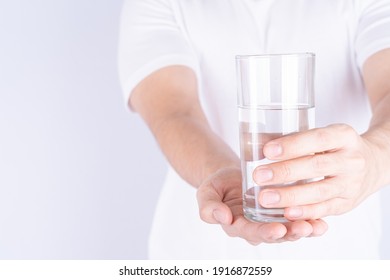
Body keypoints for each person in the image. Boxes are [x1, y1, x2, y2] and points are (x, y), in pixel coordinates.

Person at [118, 0, 390, 259]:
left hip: (342, 255)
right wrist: (221, 172)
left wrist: (375, 158)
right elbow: (175, 112)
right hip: (197, 256)